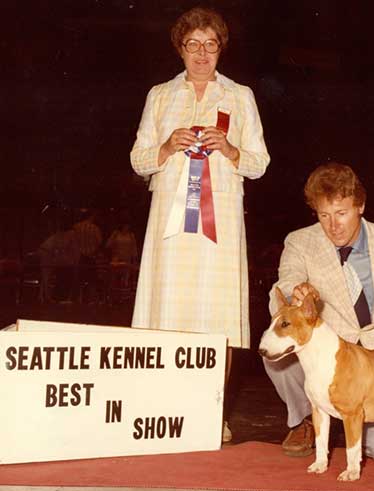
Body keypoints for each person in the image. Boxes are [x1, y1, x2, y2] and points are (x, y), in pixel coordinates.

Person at [130, 7, 270, 442]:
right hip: (170, 226)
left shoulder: (241, 96)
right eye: (193, 44)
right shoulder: (159, 96)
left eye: (211, 44)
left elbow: (260, 163)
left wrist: (229, 150)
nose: (202, 53)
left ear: (221, 48)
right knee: (168, 312)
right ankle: (167, 412)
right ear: (181, 48)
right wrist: (167, 147)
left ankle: (212, 412)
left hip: (220, 226)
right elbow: (137, 160)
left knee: (219, 317)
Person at [263, 162, 374, 460]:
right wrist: (296, 292)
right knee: (274, 356)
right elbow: (283, 286)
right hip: (326, 359)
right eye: (324, 216)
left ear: (360, 205)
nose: (333, 226)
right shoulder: (300, 242)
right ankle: (305, 419)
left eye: (342, 213)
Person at [73, 209, 103, 303]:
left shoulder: (76, 227)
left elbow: (72, 241)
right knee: (92, 280)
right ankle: (90, 299)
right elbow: (99, 243)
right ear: (91, 217)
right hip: (91, 257)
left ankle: (79, 298)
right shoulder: (95, 228)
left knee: (79, 279)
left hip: (79, 256)